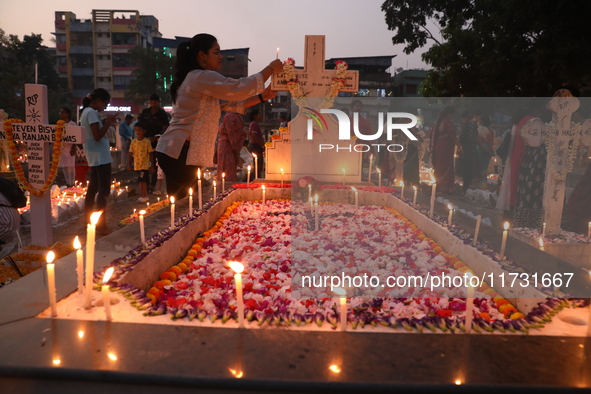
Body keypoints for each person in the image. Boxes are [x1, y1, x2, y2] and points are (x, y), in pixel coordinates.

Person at [155, 33, 282, 199]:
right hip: (178, 152)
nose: (221, 57)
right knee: (185, 207)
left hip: (184, 153)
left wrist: (262, 97)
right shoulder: (200, 77)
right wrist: (271, 68)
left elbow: (231, 104)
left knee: (188, 205)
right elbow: (238, 87)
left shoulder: (200, 80)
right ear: (202, 55)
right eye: (216, 52)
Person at [81, 89, 118, 234]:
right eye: (105, 104)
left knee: (92, 190)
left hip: (94, 155)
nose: (105, 107)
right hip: (100, 157)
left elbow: (93, 132)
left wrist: (104, 122)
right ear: (98, 101)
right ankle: (101, 226)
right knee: (103, 191)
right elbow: (97, 136)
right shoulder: (91, 112)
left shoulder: (86, 112)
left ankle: (88, 222)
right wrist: (109, 122)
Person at [139, 94, 170, 194]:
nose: (153, 104)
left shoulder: (162, 113)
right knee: (145, 163)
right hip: (145, 140)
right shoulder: (145, 112)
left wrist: (157, 137)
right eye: (151, 103)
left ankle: (153, 185)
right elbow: (140, 124)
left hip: (157, 142)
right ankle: (146, 185)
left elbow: (165, 127)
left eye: (155, 103)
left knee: (155, 164)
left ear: (158, 102)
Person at [431, 106, 461, 193]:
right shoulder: (448, 123)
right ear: (449, 114)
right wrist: (460, 147)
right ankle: (446, 186)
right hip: (445, 147)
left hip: (438, 146)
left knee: (439, 166)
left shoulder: (437, 122)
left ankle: (439, 184)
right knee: (446, 166)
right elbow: (453, 137)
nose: (453, 116)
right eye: (453, 114)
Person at [127, 122, 155, 203]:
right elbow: (130, 153)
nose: (137, 132)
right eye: (136, 130)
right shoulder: (133, 142)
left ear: (144, 131)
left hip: (144, 164)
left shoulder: (147, 142)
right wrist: (129, 163)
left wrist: (152, 165)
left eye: (139, 130)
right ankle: (144, 195)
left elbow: (151, 153)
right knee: (141, 180)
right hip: (137, 165)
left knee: (142, 180)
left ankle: (143, 195)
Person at [216, 112, 245, 183]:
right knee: (230, 171)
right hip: (231, 148)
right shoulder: (238, 117)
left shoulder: (230, 116)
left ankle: (225, 191)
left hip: (226, 148)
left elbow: (231, 135)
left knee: (226, 173)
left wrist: (236, 154)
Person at [57, 107, 77, 187]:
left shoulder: (72, 124)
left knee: (71, 165)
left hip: (70, 146)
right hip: (62, 147)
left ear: (68, 114)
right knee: (64, 165)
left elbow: (76, 136)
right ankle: (67, 182)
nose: (61, 114)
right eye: (60, 112)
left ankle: (72, 182)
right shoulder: (60, 124)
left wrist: (73, 147)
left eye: (63, 112)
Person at [248, 109, 265, 178]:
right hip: (256, 147)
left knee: (257, 165)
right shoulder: (254, 124)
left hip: (255, 146)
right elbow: (254, 136)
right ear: (255, 116)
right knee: (258, 165)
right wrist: (261, 144)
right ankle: (256, 179)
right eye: (259, 114)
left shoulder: (253, 124)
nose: (261, 115)